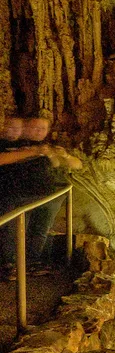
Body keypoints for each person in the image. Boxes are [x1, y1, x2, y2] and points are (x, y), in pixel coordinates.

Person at [0, 116, 81, 273]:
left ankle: (33, 262)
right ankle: (10, 264)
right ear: (26, 127)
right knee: (13, 230)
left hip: (44, 196)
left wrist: (64, 156)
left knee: (41, 230)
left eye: (43, 128)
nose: (39, 132)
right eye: (35, 128)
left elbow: (76, 164)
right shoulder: (12, 143)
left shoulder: (47, 147)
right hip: (16, 195)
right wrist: (33, 152)